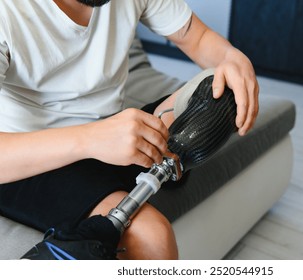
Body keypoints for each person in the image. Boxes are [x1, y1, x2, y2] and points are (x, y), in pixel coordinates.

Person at [0, 0, 259, 259]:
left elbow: (198, 37)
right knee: (153, 236)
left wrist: (234, 61)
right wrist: (91, 138)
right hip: (28, 160)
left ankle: (165, 161)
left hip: (113, 137)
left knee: (217, 88)